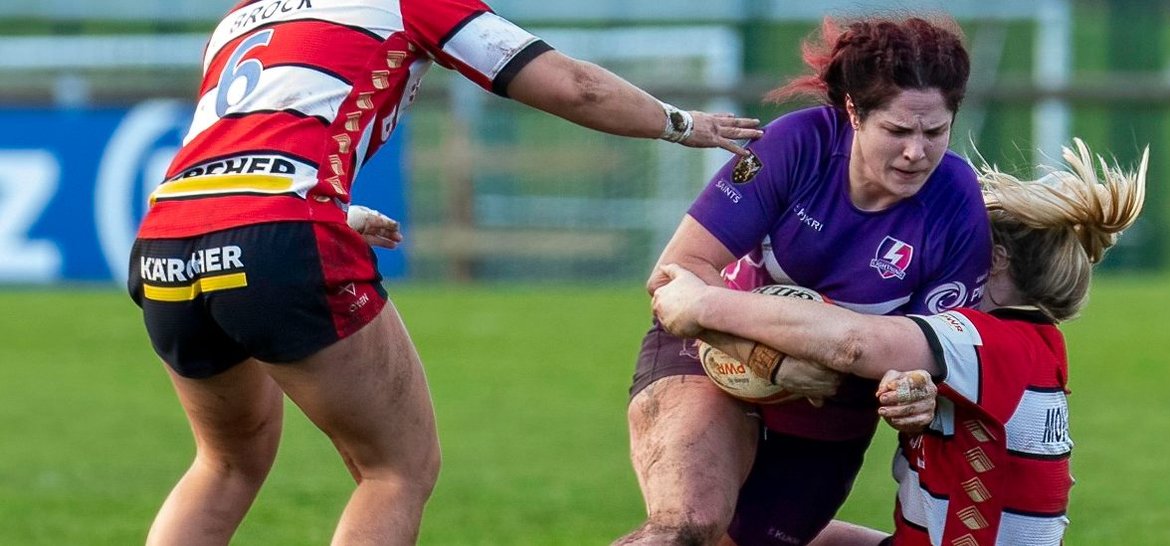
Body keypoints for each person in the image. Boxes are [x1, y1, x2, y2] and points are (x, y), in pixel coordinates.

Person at [125, 1, 762, 544]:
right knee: (396, 469)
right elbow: (575, 86)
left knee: (226, 463)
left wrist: (335, 210)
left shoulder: (242, 16)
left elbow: (243, 150)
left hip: (166, 241)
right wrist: (684, 124)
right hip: (283, 239)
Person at [650, 139, 1149, 546]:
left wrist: (704, 305)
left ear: (993, 260)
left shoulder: (987, 339)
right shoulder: (1032, 349)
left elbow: (854, 343)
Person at [617, 14, 992, 546]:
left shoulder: (957, 207)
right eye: (897, 131)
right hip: (707, 353)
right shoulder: (796, 146)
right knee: (688, 525)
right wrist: (770, 360)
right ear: (854, 112)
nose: (916, 152)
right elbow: (677, 274)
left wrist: (913, 393)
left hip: (834, 400)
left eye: (935, 132)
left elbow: (934, 350)